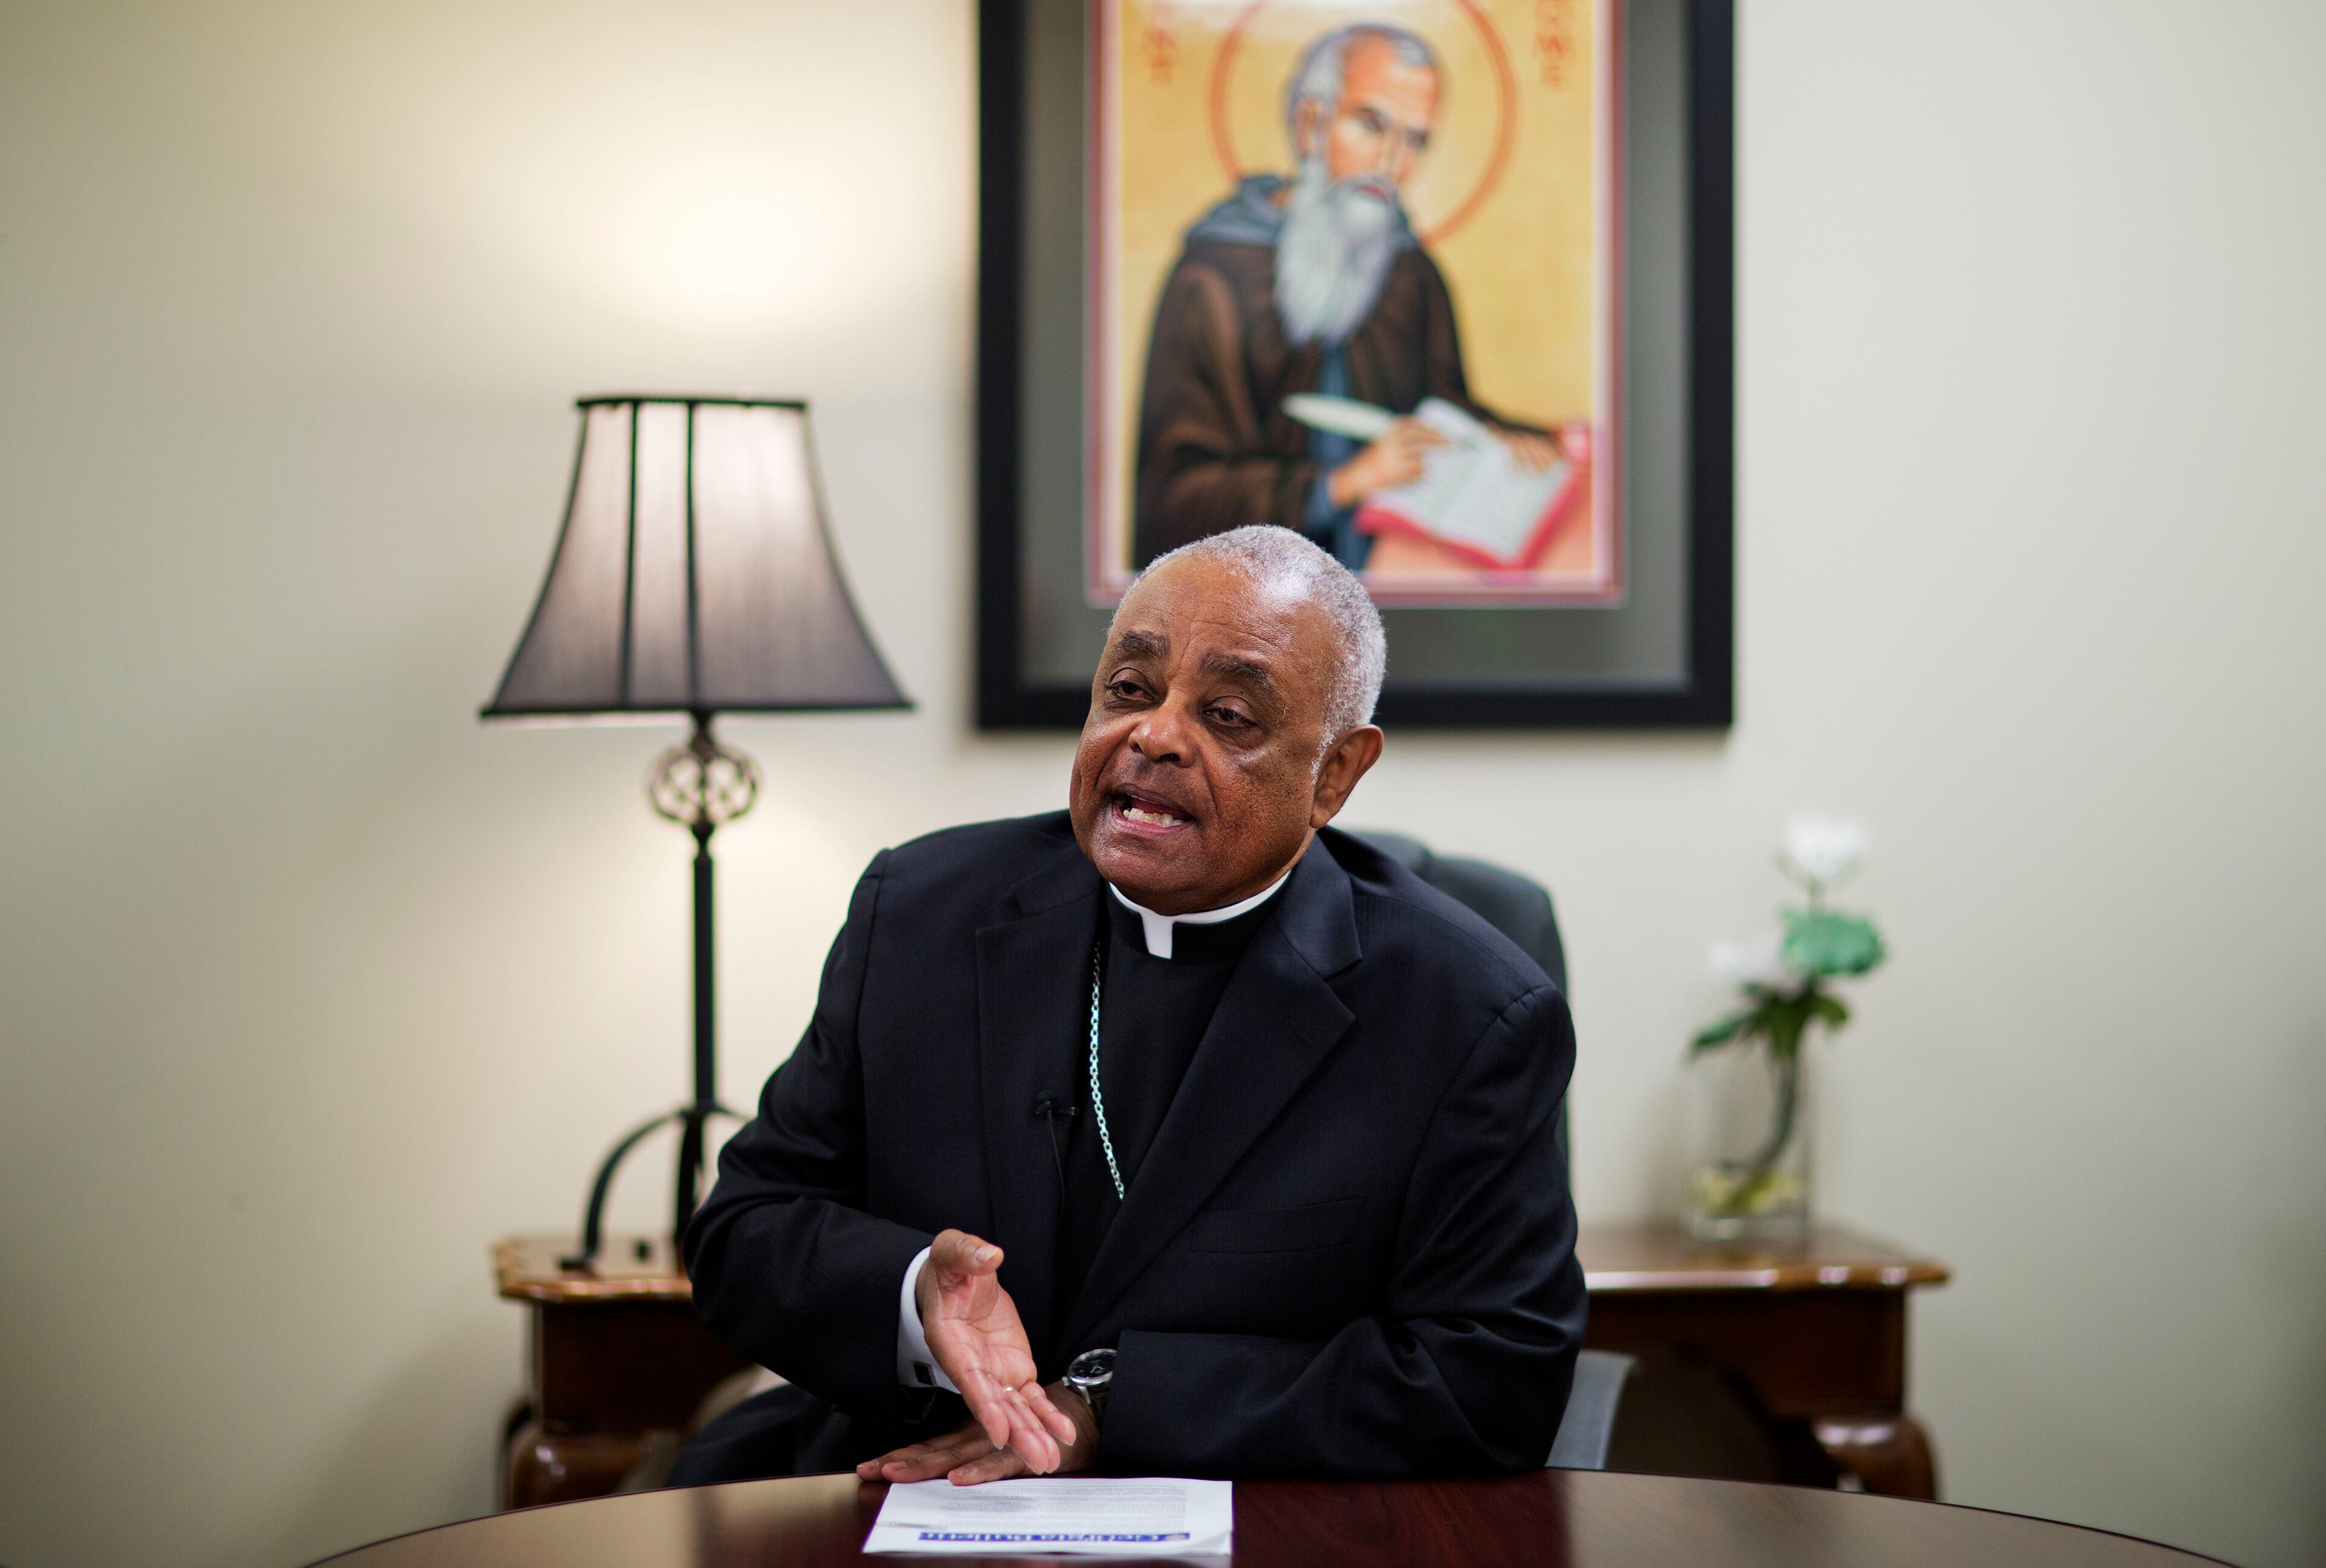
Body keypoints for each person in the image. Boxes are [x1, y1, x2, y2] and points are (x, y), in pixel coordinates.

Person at [674, 526, 1584, 1486]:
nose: (1153, 735)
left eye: (1228, 713)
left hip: (1261, 1524)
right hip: (902, 1490)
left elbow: (1490, 1381)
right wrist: (911, 1295)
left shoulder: (1466, 1012)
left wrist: (1112, 1407)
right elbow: (744, 1228)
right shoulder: (922, 914)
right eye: (1129, 690)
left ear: (1335, 776)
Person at [1132, 23, 1566, 572]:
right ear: (1310, 123)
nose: (1391, 162)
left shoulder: (1413, 274)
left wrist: (1499, 442)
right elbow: (1173, 497)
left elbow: (1440, 409)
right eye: (1371, 124)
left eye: (1414, 140)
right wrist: (1346, 483)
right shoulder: (1212, 279)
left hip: (1391, 580)